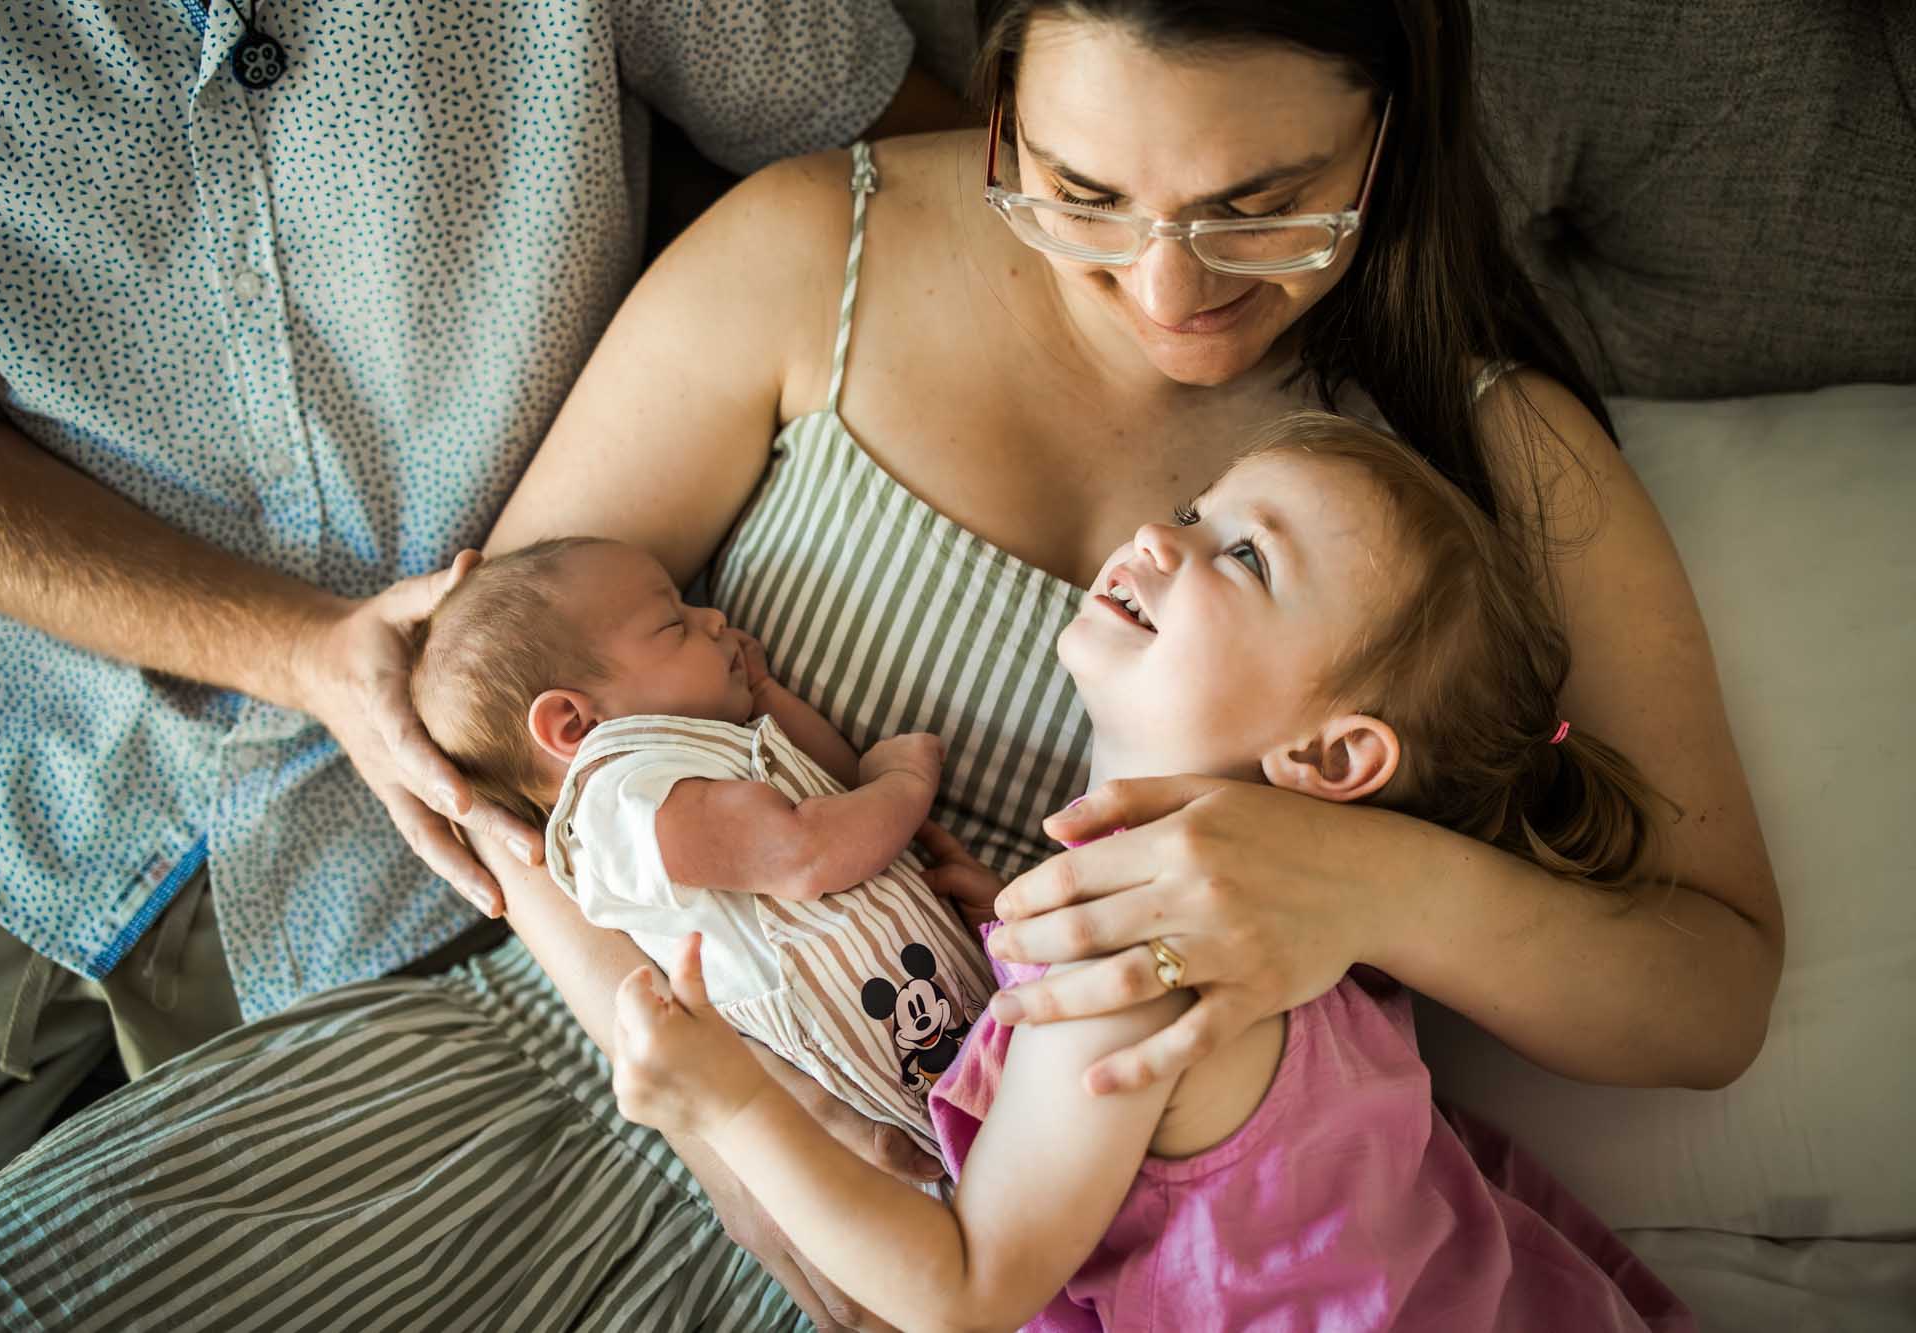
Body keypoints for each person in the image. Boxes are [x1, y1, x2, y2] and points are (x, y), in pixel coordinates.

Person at [0, 1, 1782, 1329]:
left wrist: (1368, 880)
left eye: (1265, 201)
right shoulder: (823, 244)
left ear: (1394, 119)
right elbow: (487, 735)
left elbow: (1706, 997)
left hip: (1048, 1241)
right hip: (575, 1071)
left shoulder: (1498, 453)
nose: (1167, 288)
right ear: (1001, 101)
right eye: (1083, 191)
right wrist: (674, 1055)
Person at [0, 0, 957, 1249]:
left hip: (408, 855)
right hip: (1, 766)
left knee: (217, 1258)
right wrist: (293, 648)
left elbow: (938, 170)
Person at [611, 410, 1695, 1332]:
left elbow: (961, 1287)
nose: (1153, 534)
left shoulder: (1134, 977)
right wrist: (1010, 942)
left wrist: (729, 1104)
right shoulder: (1306, 927)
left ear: (1328, 755)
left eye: (1244, 555)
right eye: (1191, 511)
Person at [410, 537, 986, 1150]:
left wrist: (765, 696)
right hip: (887, 1066)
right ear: (573, 724)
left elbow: (839, 796)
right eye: (672, 623)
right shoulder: (622, 804)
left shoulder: (695, 758)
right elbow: (808, 852)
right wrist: (905, 781)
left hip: (939, 1011)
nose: (713, 619)